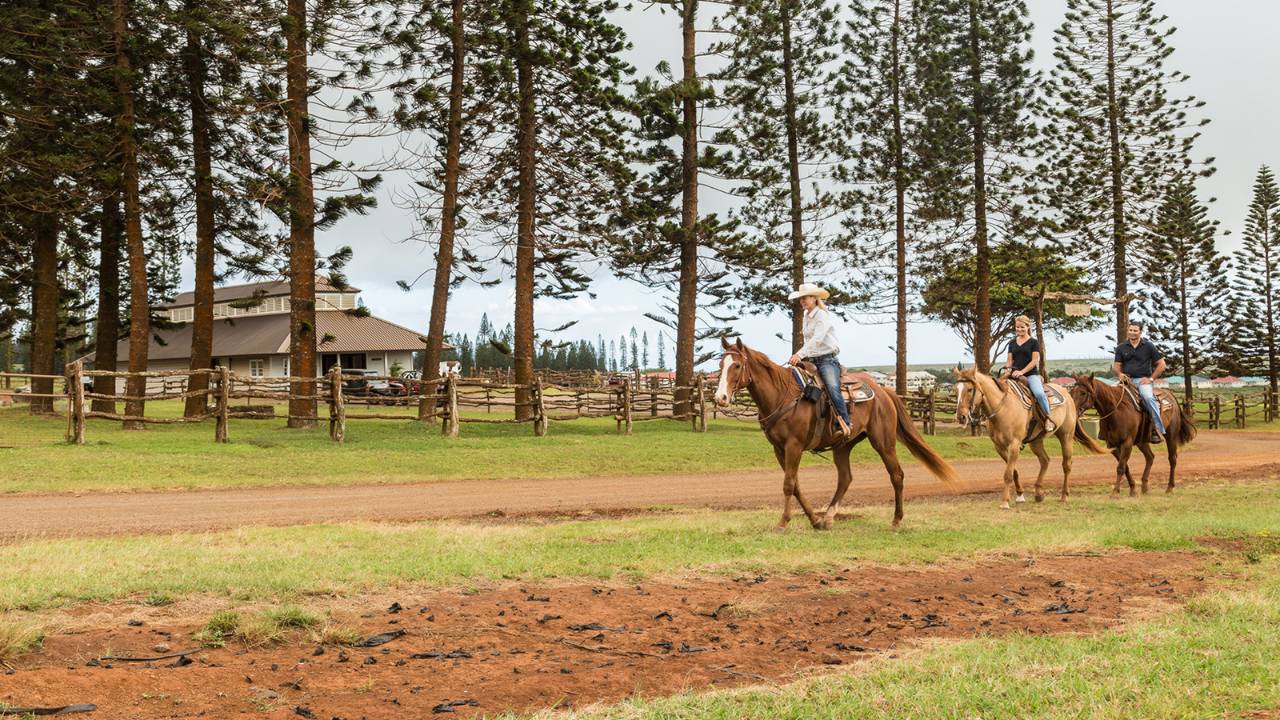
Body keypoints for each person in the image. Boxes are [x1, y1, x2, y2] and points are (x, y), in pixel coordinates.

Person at [785, 283, 852, 436]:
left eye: (806, 298)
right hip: (813, 361)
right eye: (801, 298)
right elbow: (809, 342)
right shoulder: (806, 317)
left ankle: (844, 423)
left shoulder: (821, 315)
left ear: (814, 298)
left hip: (827, 360)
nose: (802, 301)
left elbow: (817, 339)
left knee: (832, 388)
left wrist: (798, 355)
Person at [1113, 321, 1168, 443]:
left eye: (1135, 331)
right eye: (1130, 330)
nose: (1132, 333)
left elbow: (1161, 364)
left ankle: (1157, 429)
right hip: (1126, 381)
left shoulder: (1148, 346)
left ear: (1140, 332)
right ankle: (1107, 430)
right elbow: (1116, 366)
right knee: (1108, 395)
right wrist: (1120, 374)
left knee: (1148, 397)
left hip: (1143, 381)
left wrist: (1151, 379)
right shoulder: (1121, 347)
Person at [1002, 315, 1055, 433]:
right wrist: (1007, 369)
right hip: (1014, 374)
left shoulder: (1033, 342)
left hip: (1030, 374)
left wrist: (1021, 372)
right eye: (1017, 327)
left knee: (1039, 394)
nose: (1019, 329)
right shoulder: (1011, 343)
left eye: (1022, 327)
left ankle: (1048, 418)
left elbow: (1034, 361)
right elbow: (1010, 360)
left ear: (1028, 327)